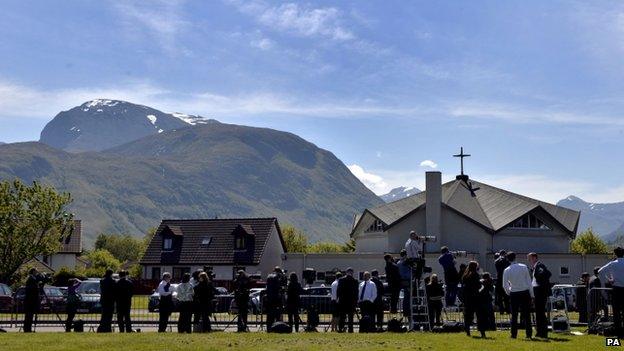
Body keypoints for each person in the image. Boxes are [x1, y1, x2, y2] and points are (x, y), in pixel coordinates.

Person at [502, 252, 533, 339]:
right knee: (527, 315)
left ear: (508, 259)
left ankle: (514, 334)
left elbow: (504, 285)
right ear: (515, 257)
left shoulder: (507, 270)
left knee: (514, 315)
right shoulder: (524, 267)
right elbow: (529, 282)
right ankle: (529, 334)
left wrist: (509, 292)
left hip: (514, 293)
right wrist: (532, 294)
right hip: (525, 292)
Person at [598, 246, 624, 338]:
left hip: (616, 289)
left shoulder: (612, 263)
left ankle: (618, 333)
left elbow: (600, 271)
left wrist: (609, 279)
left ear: (615, 254)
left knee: (616, 312)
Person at [527, 252, 551, 338]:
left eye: (529, 258)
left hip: (540, 291)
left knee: (540, 313)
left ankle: (542, 332)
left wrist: (540, 283)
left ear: (534, 258)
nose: (529, 260)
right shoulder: (535, 267)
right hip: (538, 291)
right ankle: (540, 332)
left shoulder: (539, 266)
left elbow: (546, 274)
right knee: (539, 313)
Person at [461, 261, 487, 338]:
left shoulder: (465, 276)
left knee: (468, 315)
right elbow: (479, 287)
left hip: (467, 298)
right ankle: (482, 332)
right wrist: (482, 284)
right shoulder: (476, 275)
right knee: (480, 316)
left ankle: (468, 331)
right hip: (476, 298)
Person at [337, 267, 359, 333]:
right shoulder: (355, 281)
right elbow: (356, 292)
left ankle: (341, 328)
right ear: (352, 273)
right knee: (350, 317)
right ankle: (350, 329)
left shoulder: (341, 280)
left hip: (342, 301)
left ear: (346, 272)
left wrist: (338, 298)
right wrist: (355, 301)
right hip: (351, 302)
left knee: (342, 316)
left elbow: (338, 291)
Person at [23, 268, 40, 333]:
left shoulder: (32, 279)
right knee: (29, 316)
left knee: (29, 316)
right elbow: (33, 289)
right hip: (30, 300)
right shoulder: (31, 279)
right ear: (33, 272)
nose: (36, 273)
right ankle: (27, 329)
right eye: (36, 271)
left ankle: (28, 329)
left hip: (30, 300)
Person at [397, 250, 412, 317]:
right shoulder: (406, 262)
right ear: (405, 255)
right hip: (407, 281)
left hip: (401, 281)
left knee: (406, 297)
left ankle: (405, 311)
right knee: (408, 297)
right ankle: (408, 312)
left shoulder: (398, 263)